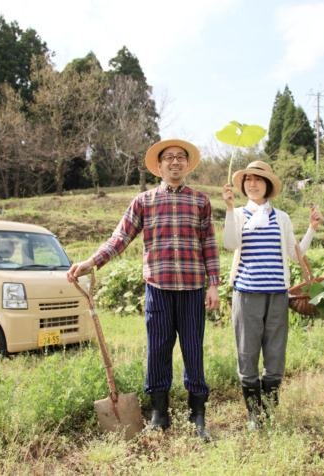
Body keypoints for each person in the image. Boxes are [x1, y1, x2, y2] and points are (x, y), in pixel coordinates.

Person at [67, 138, 220, 441]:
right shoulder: (144, 201)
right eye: (169, 158)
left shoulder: (200, 201)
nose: (175, 162)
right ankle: (159, 416)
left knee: (193, 351)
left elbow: (209, 245)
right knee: (158, 352)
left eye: (180, 158)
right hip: (158, 289)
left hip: (192, 288)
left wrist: (213, 285)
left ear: (187, 165)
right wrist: (91, 262)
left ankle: (196, 416)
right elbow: (120, 238)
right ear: (159, 166)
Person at [222, 161, 323, 430]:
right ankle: (254, 415)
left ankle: (268, 413)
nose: (252, 184)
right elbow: (230, 244)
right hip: (247, 294)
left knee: (276, 354)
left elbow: (295, 254)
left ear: (268, 186)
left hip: (278, 295)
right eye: (248, 180)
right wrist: (230, 209)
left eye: (258, 179)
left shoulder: (282, 218)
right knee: (247, 353)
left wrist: (312, 228)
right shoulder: (239, 215)